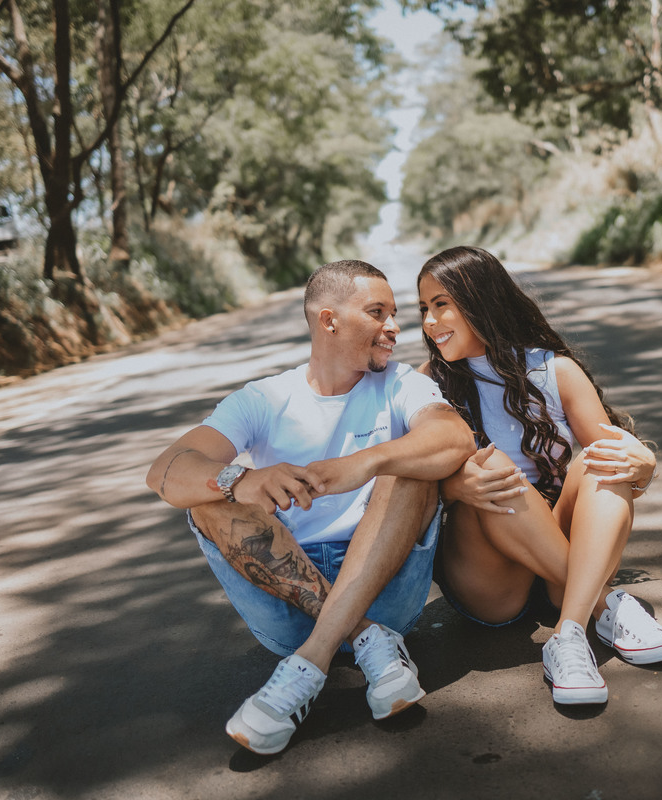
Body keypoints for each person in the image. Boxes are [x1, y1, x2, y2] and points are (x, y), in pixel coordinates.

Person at [147, 259, 475, 754]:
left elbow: (453, 437)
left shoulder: (401, 383)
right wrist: (242, 479)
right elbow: (166, 471)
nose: (395, 326)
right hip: (286, 591)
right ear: (329, 320)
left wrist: (363, 463)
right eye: (378, 312)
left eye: (394, 313)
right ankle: (366, 637)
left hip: (384, 581)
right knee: (209, 499)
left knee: (411, 468)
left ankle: (310, 662)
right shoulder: (264, 399)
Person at [416, 245, 662, 706]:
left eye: (441, 305)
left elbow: (621, 464)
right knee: (492, 467)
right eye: (424, 308)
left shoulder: (554, 370)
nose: (429, 321)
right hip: (489, 578)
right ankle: (605, 602)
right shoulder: (427, 383)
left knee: (603, 454)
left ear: (480, 299)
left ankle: (569, 633)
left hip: (554, 558)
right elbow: (408, 479)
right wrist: (454, 486)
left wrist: (644, 466)